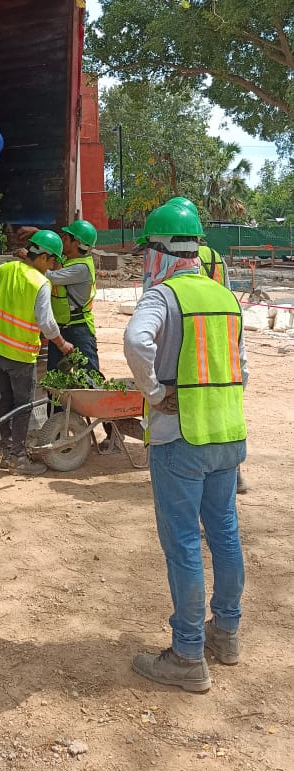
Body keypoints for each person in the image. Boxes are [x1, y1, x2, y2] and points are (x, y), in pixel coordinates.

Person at [123, 199, 248, 693]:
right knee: (225, 535)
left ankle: (188, 655)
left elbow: (136, 342)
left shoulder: (162, 296)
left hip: (182, 439)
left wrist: (155, 392)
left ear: (159, 249)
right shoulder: (226, 296)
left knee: (184, 546)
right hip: (228, 435)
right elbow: (241, 366)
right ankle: (228, 634)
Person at [0, 230, 74, 475]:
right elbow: (47, 323)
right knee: (22, 405)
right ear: (42, 257)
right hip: (19, 353)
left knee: (6, 400)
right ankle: (18, 459)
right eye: (52, 260)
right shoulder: (40, 282)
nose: (52, 266)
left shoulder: (5, 269)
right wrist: (62, 344)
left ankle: (6, 453)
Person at [168, 198, 247, 492]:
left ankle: (191, 467)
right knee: (224, 401)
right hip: (220, 330)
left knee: (193, 400)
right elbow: (225, 290)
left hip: (190, 327)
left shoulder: (175, 257)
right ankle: (232, 473)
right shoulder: (215, 256)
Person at [46, 219, 100, 374]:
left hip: (79, 330)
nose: (62, 240)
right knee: (56, 377)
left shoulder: (81, 268)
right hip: (62, 328)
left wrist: (30, 258)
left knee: (88, 377)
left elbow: (51, 276)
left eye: (66, 237)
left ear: (76, 243)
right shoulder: (69, 260)